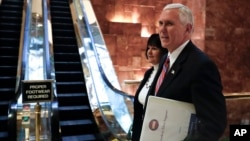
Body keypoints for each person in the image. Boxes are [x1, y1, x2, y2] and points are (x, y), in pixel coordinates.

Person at [144, 3, 227, 141]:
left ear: (187, 29)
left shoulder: (201, 65)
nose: (162, 30)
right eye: (161, 23)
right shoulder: (165, 58)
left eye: (169, 24)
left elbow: (213, 123)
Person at [131, 33, 168, 141]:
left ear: (163, 52)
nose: (149, 52)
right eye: (148, 48)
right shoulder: (149, 73)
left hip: (156, 133)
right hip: (140, 131)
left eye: (154, 48)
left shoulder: (165, 75)